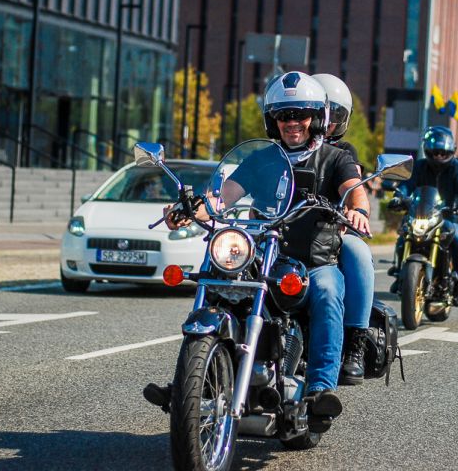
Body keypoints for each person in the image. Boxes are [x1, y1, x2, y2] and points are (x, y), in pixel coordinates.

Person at [151, 71, 370, 432]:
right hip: (263, 253)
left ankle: (319, 390)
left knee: (330, 291)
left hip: (315, 260)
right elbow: (223, 194)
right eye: (284, 116)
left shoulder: (334, 158)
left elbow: (353, 188)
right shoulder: (262, 159)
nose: (292, 123)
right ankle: (190, 383)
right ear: (273, 120)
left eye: (300, 114)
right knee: (217, 275)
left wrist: (356, 209)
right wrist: (190, 210)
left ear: (315, 118)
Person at [313, 73, 374, 386]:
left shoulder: (343, 152)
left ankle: (354, 344)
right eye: (320, 112)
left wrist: (355, 209)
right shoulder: (282, 147)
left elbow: (354, 184)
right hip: (280, 230)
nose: (326, 122)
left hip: (330, 231)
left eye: (333, 115)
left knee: (358, 252)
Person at [389, 125, 458, 306]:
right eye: (435, 152)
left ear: (451, 150)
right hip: (421, 214)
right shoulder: (419, 166)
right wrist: (399, 197)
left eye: (443, 152)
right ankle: (400, 271)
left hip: (448, 216)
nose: (439, 156)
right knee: (404, 236)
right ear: (428, 150)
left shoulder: (456, 168)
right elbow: (406, 185)